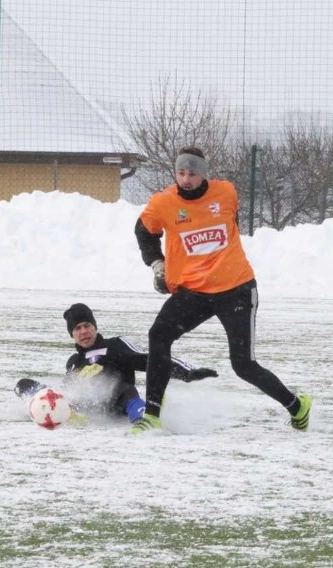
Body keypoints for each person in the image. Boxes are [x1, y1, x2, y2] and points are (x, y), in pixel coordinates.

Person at [130, 146, 312, 434]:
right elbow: (144, 231)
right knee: (159, 335)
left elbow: (230, 226)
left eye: (192, 173)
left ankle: (297, 405)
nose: (186, 179)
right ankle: (151, 414)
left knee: (243, 365)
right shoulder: (162, 203)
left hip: (235, 290)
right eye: (181, 173)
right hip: (194, 292)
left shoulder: (226, 193)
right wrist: (157, 265)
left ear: (204, 175)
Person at [15, 302, 217, 424]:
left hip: (120, 402)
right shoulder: (74, 362)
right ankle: (41, 410)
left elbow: (150, 359)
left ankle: (141, 418)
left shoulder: (115, 345)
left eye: (87, 326)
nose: (83, 332)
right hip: (87, 406)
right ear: (72, 335)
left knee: (120, 387)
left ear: (95, 327)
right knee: (24, 384)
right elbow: (70, 388)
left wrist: (187, 373)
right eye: (77, 329)